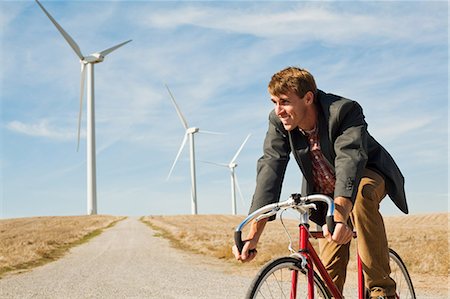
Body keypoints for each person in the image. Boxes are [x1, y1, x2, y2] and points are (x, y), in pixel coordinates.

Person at [232, 67, 408, 299]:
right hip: (326, 192)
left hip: (364, 175)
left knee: (361, 200)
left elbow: (349, 160)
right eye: (274, 102)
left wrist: (339, 216)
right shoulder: (278, 120)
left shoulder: (344, 110)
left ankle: (383, 291)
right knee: (328, 278)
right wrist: (253, 234)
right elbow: (270, 169)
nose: (278, 110)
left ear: (308, 98)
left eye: (284, 102)